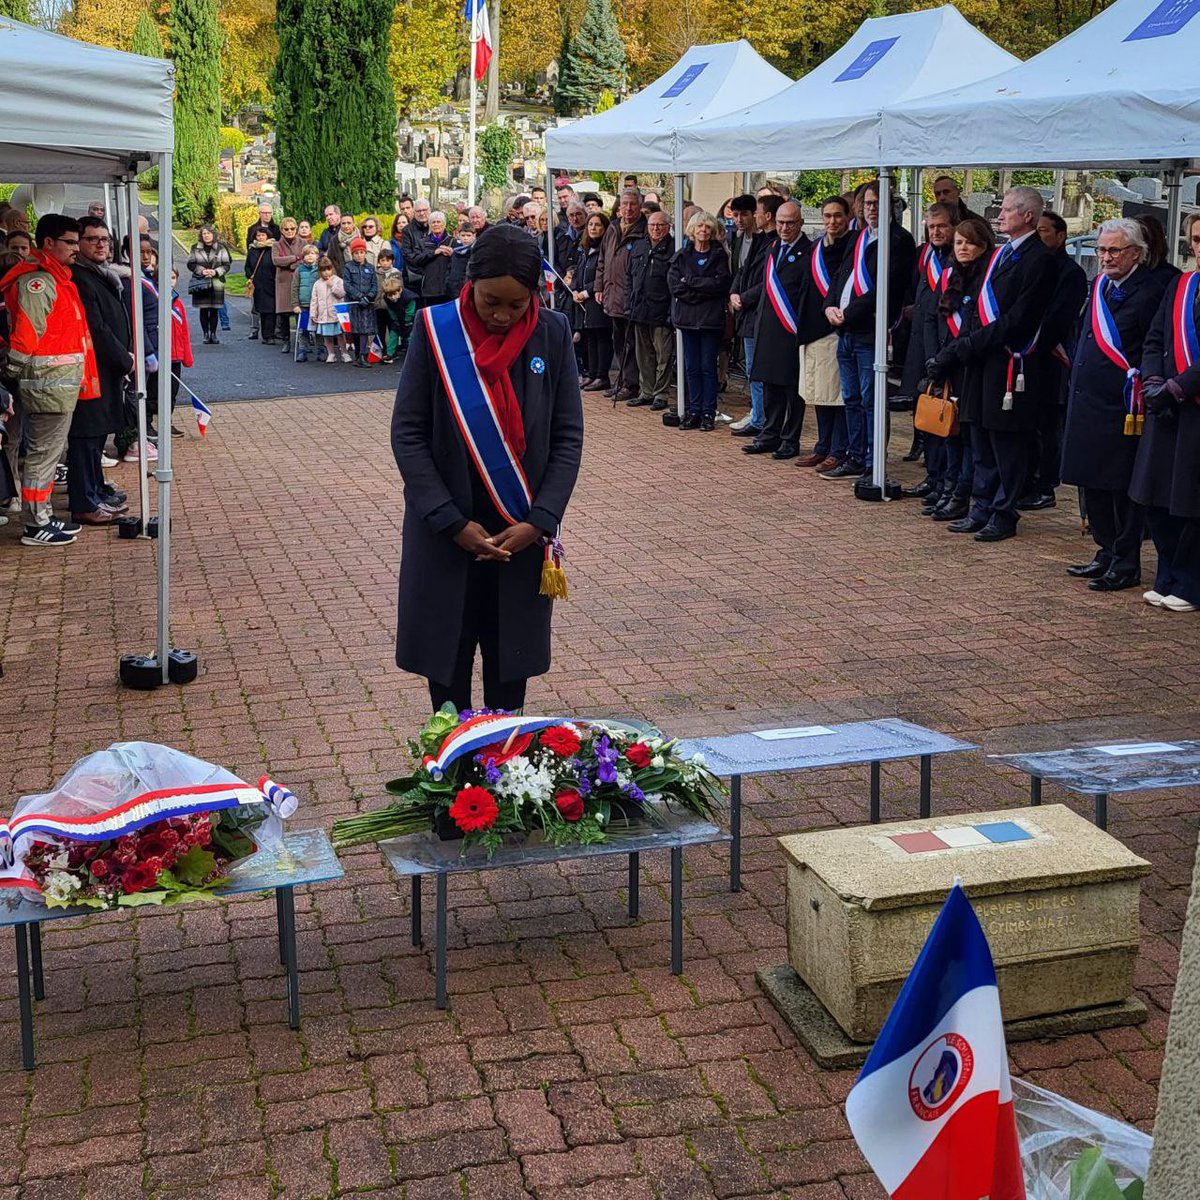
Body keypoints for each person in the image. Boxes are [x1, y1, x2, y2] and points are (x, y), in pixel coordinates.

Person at [391, 222, 584, 711]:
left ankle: (504, 781)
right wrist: (450, 521)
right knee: (447, 688)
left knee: (508, 685)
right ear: (469, 284)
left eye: (516, 305)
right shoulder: (435, 329)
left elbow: (567, 437)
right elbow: (408, 433)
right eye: (490, 302)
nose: (501, 315)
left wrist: (539, 520)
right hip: (448, 534)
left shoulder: (553, 333)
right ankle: (452, 781)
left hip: (518, 539)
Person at [928, 187, 1056, 542]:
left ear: (1027, 216)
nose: (1000, 215)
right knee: (979, 437)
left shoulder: (1039, 259)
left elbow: (1017, 319)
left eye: (1008, 210)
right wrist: (963, 346)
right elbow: (976, 309)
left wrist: (968, 345)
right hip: (980, 362)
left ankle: (1003, 511)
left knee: (1006, 443)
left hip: (1009, 363)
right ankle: (981, 506)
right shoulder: (1001, 255)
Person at [1061, 218, 1175, 591]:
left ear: (1136, 254)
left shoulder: (1152, 289)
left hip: (1123, 403)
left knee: (1119, 485)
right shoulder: (1099, 286)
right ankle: (1106, 549)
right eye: (1101, 249)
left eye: (1114, 250)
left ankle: (1126, 559)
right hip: (1088, 398)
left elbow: (1154, 344)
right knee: (1091, 480)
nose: (1105, 257)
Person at [0, 213, 97, 547]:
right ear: (48, 243)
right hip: (47, 383)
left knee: (47, 455)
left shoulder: (54, 277)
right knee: (43, 456)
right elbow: (27, 333)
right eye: (69, 242)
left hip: (55, 382)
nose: (76, 248)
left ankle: (41, 517)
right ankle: (35, 523)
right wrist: (11, 372)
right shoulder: (39, 281)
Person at [1131, 213, 1200, 612]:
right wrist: (1155, 381)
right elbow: (1155, 337)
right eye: (1194, 238)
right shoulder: (1182, 283)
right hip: (1167, 410)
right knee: (1156, 498)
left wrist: (1178, 386)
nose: (1198, 245)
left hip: (1194, 408)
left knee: (1191, 503)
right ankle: (1168, 575)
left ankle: (1191, 583)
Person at [823, 181, 915, 479]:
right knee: (850, 397)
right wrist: (829, 306)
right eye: (867, 204)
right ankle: (855, 456)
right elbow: (840, 276)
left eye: (877, 203)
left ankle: (874, 460)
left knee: (870, 399)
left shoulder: (898, 240)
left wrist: (847, 314)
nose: (871, 208)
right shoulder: (859, 237)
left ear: (890, 204)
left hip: (869, 330)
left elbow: (885, 288)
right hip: (845, 331)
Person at [922, 215, 995, 522]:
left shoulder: (987, 278)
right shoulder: (949, 274)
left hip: (968, 365)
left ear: (983, 245)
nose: (964, 248)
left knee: (965, 435)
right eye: (959, 243)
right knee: (947, 431)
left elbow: (973, 327)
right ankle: (947, 488)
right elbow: (932, 318)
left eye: (970, 243)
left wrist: (947, 357)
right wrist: (934, 359)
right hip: (945, 365)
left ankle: (962, 494)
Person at [1021, 211, 1088, 511]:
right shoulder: (1033, 264)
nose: (1039, 236)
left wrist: (1033, 342)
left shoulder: (1070, 273)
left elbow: (1059, 318)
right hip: (1026, 355)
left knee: (1048, 424)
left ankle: (1046, 484)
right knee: (1029, 423)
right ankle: (1026, 479)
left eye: (1045, 231)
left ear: (1061, 236)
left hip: (1052, 355)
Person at [69, 216, 131, 525]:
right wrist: (125, 359)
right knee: (86, 435)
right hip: (92, 369)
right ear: (79, 244)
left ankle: (95, 489)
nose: (101, 244)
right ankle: (84, 500)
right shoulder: (80, 277)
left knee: (97, 436)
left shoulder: (102, 275)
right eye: (92, 239)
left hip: (108, 370)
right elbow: (97, 328)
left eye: (105, 239)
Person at [896, 203, 958, 493]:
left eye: (942, 226)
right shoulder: (928, 256)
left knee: (946, 418)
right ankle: (933, 478)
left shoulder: (958, 259)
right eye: (931, 227)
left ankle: (947, 482)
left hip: (945, 347)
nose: (936, 232)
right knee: (928, 416)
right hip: (920, 345)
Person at [744, 201, 808, 460]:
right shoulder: (772, 248)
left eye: (790, 222)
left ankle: (789, 439)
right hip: (768, 326)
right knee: (769, 383)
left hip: (792, 327)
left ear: (800, 223)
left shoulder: (808, 252)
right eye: (780, 222)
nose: (784, 227)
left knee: (791, 390)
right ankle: (769, 434)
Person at [797, 197, 854, 469]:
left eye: (838, 216)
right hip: (812, 328)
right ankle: (823, 444)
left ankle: (838, 448)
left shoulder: (852, 247)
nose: (832, 221)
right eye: (828, 216)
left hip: (834, 328)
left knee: (836, 395)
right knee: (819, 392)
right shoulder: (817, 247)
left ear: (847, 216)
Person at [668, 211, 731, 431]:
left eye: (707, 227)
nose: (703, 231)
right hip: (687, 319)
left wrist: (692, 282)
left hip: (710, 320)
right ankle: (693, 410)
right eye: (699, 227)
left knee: (707, 367)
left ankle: (707, 411)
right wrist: (701, 289)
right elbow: (676, 285)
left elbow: (720, 285)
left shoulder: (719, 255)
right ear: (692, 230)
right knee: (691, 367)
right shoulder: (682, 255)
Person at [595, 189, 647, 402]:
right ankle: (623, 381)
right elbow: (602, 260)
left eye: (632, 204)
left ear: (639, 206)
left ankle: (632, 384)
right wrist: (599, 286)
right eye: (624, 204)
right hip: (612, 294)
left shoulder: (644, 229)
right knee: (618, 341)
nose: (627, 208)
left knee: (632, 343)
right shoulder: (613, 228)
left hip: (631, 296)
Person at [728, 195, 768, 437]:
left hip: (757, 311)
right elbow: (738, 272)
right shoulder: (738, 239)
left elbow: (763, 279)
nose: (740, 220)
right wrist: (733, 292)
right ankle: (757, 412)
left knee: (756, 367)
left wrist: (744, 297)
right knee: (751, 367)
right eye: (736, 215)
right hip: (741, 310)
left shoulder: (764, 242)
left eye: (744, 214)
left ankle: (760, 416)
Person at [627, 210, 675, 411]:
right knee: (643, 354)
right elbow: (629, 276)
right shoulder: (639, 246)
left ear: (668, 227)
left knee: (663, 354)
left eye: (660, 225)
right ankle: (645, 391)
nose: (655, 229)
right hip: (639, 308)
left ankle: (661, 394)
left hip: (661, 310)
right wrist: (629, 299)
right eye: (652, 225)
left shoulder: (673, 248)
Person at [572, 213, 612, 391]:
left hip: (597, 298)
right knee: (590, 337)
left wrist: (586, 292)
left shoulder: (605, 248)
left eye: (597, 225)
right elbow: (579, 272)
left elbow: (601, 274)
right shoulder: (585, 249)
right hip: (583, 301)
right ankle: (592, 373)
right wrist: (574, 289)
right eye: (590, 225)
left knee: (601, 336)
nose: (593, 228)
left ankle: (602, 376)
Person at [186, 225, 231, 344]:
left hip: (216, 281)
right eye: (204, 233)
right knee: (204, 309)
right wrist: (202, 271)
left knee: (215, 309)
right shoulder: (195, 248)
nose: (206, 236)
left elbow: (226, 264)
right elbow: (190, 263)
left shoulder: (221, 248)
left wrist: (215, 272)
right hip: (201, 281)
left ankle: (214, 334)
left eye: (209, 233)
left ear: (213, 235)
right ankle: (205, 334)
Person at [342, 237, 379, 365]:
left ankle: (363, 356)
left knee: (364, 330)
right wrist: (358, 296)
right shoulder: (348, 267)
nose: (359, 255)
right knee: (355, 330)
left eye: (361, 252)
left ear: (365, 253)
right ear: (352, 254)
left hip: (367, 304)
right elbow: (347, 285)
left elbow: (375, 285)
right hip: (354, 303)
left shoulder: (370, 268)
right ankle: (358, 354)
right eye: (356, 253)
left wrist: (369, 297)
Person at [272, 216, 305, 351]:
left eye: (292, 228)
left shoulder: (302, 242)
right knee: (284, 314)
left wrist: (290, 264)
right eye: (286, 229)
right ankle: (286, 340)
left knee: (300, 312)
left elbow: (305, 259)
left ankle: (302, 340)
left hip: (300, 280)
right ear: (282, 230)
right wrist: (294, 258)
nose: (290, 231)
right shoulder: (276, 245)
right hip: (283, 282)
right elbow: (276, 260)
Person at [309, 256, 350, 364]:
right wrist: (313, 314)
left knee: (340, 335)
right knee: (327, 336)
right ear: (319, 271)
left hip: (336, 314)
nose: (326, 272)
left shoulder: (338, 281)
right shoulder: (317, 284)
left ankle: (344, 353)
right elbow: (314, 300)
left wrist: (332, 286)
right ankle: (331, 353)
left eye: (328, 269)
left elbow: (342, 294)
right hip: (324, 315)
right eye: (323, 270)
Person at [167, 268, 193, 436]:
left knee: (172, 392)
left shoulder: (177, 301)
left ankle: (168, 420)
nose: (170, 281)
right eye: (167, 277)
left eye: (173, 277)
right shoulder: (156, 299)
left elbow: (184, 330)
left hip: (176, 355)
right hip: (162, 356)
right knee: (158, 392)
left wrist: (186, 355)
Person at [244, 225, 277, 343]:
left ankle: (271, 335)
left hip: (271, 282)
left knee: (271, 310)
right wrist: (250, 277)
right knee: (262, 310)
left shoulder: (273, 248)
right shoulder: (252, 250)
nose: (261, 237)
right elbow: (248, 266)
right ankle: (265, 335)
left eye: (263, 235)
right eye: (259, 235)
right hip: (258, 284)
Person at [291, 243, 320, 362]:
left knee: (319, 329)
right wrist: (295, 304)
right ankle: (302, 350)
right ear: (303, 257)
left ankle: (321, 349)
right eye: (307, 254)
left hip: (317, 306)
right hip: (303, 305)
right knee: (304, 329)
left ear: (317, 256)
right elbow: (294, 287)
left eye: (312, 254)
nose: (310, 256)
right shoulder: (299, 270)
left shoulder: (319, 270)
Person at [402, 200, 432, 295]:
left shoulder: (436, 226)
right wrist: (424, 271)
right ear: (414, 212)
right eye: (418, 211)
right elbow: (407, 255)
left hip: (434, 278)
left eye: (424, 210)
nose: (422, 213)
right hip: (415, 279)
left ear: (430, 210)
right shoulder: (407, 230)